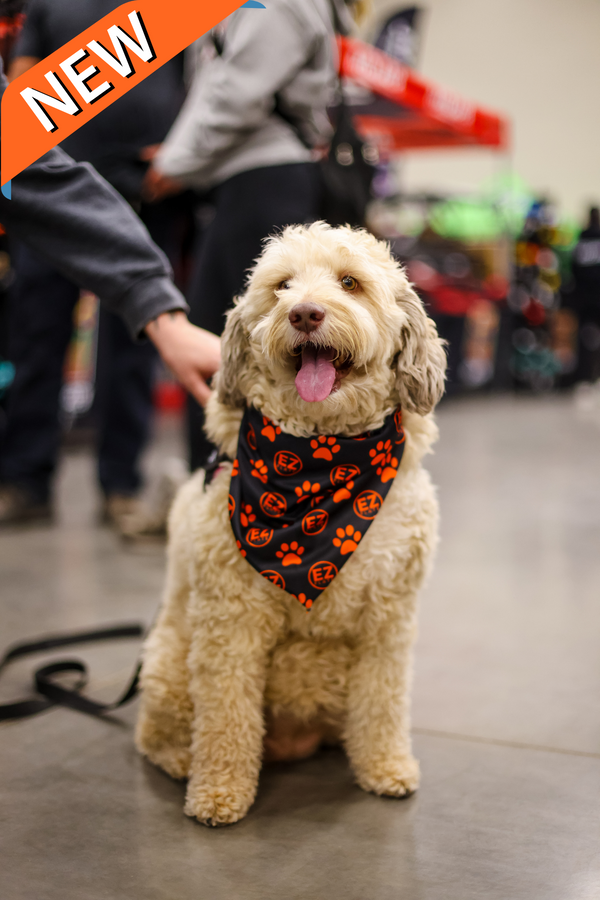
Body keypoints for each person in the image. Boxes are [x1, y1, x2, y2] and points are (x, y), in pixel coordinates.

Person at [0, 59, 220, 523]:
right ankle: (25, 480)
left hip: (142, 190)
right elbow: (21, 81)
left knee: (131, 355)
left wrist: (183, 153)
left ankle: (121, 484)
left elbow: (206, 77)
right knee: (36, 340)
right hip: (45, 197)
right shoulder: (47, 7)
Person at [143, 0, 357, 470]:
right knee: (233, 344)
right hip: (247, 184)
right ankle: (225, 490)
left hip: (265, 185)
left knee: (248, 349)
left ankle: (249, 493)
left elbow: (236, 91)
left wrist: (174, 163)